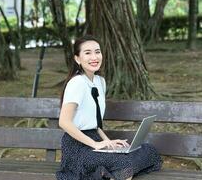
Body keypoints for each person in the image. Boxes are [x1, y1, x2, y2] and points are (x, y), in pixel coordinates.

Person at [56, 35, 162, 180]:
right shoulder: (77, 83)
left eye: (97, 52)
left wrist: (108, 142)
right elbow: (64, 122)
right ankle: (107, 174)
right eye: (87, 53)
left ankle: (105, 173)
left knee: (149, 151)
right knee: (125, 164)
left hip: (96, 140)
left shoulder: (100, 82)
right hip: (78, 148)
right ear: (77, 59)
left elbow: (94, 122)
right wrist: (95, 144)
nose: (94, 57)